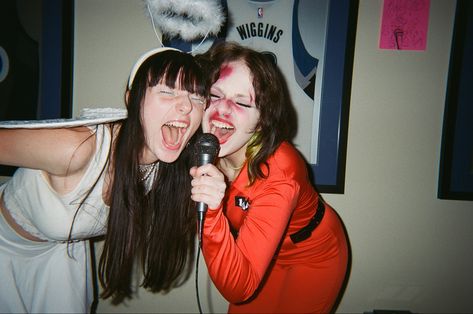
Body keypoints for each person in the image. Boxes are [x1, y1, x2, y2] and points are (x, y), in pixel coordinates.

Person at [0, 47, 209, 313]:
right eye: (167, 91)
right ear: (132, 99)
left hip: (61, 252)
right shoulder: (77, 149)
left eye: (198, 96)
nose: (187, 106)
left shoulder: (167, 170)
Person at [190, 41, 349, 313]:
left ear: (262, 121)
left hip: (313, 255)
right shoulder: (202, 148)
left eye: (242, 102)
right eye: (215, 96)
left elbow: (239, 287)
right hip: (258, 248)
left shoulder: (280, 172)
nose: (223, 110)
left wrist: (213, 211)